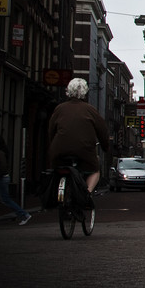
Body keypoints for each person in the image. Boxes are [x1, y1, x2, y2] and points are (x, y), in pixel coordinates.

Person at [47, 77, 110, 207]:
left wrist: (52, 145)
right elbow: (102, 131)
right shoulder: (90, 110)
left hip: (59, 150)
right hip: (84, 151)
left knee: (57, 168)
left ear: (68, 91)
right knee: (95, 169)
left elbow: (51, 130)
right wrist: (105, 146)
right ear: (85, 92)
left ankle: (61, 191)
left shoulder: (59, 108)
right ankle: (86, 193)